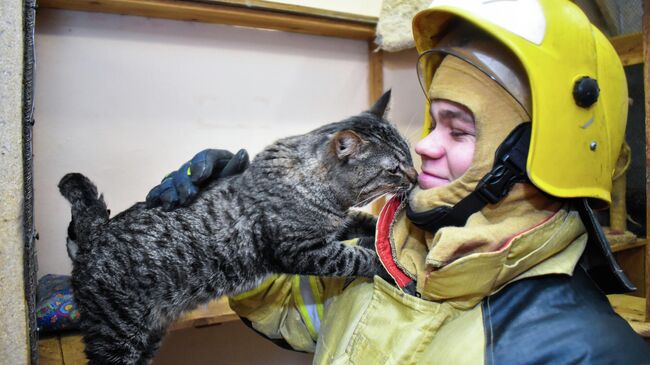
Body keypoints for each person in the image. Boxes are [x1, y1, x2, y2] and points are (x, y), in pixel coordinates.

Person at [146, 0, 650, 362]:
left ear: (538, 157)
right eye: (434, 122)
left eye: (458, 128)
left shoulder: (583, 352)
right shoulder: (390, 247)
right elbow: (296, 317)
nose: (425, 146)